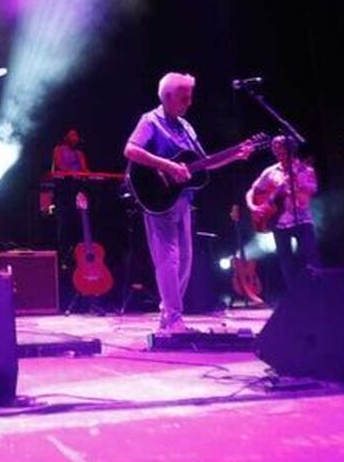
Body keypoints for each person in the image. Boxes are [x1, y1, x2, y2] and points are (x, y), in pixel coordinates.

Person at [123, 72, 253, 334]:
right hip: (157, 197)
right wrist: (168, 166)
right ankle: (173, 318)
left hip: (182, 199)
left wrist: (235, 156)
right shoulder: (150, 121)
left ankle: (169, 315)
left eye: (190, 97)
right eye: (184, 98)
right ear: (167, 97)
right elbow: (131, 150)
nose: (189, 103)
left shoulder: (187, 127)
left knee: (185, 260)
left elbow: (204, 163)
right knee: (168, 259)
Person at [246, 134, 320, 298]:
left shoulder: (306, 170)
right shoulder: (270, 172)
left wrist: (295, 190)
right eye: (275, 150)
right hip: (279, 221)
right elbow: (253, 190)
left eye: (281, 149)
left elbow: (306, 198)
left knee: (311, 259)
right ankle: (295, 297)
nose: (278, 153)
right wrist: (254, 207)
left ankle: (316, 295)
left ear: (291, 149)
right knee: (286, 264)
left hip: (303, 220)